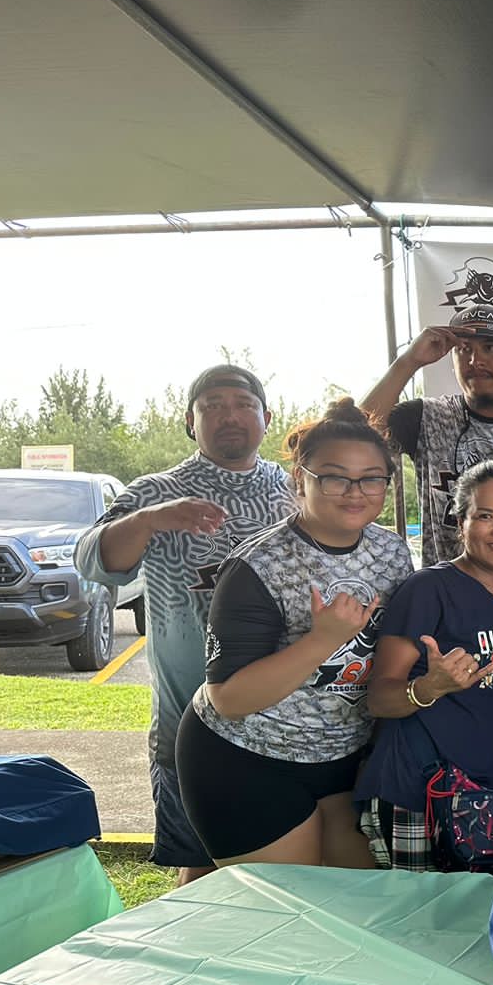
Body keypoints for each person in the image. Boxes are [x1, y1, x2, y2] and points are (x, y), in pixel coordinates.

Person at [77, 365, 296, 885]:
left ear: (266, 417)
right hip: (190, 723)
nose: (229, 415)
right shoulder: (157, 490)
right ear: (189, 422)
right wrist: (150, 520)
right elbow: (92, 560)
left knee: (289, 869)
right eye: (212, 405)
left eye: (242, 403)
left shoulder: (296, 489)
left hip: (290, 724)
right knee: (201, 866)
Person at [175, 398, 414, 869]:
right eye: (334, 476)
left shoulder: (392, 552)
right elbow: (230, 698)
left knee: (353, 907)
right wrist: (322, 640)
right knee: (278, 919)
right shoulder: (258, 564)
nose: (354, 490)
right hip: (246, 756)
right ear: (299, 478)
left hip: (340, 760)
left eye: (371, 477)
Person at [355, 458, 493, 871]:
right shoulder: (429, 589)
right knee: (413, 926)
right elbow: (378, 698)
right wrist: (429, 687)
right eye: (485, 516)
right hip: (420, 795)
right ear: (460, 521)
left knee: (478, 927)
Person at [361, 304, 493, 568]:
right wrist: (409, 361)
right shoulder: (427, 417)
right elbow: (353, 434)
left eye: (490, 348)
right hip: (442, 598)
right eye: (464, 350)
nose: (476, 361)